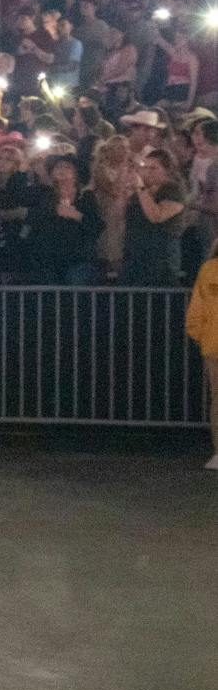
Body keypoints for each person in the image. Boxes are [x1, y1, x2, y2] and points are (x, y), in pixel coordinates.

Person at [123, 149, 187, 285]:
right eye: (146, 167)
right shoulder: (142, 191)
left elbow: (156, 216)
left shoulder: (174, 191)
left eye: (153, 168)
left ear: (167, 170)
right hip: (136, 255)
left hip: (161, 258)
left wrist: (140, 188)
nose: (148, 172)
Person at [183, 239, 218, 470]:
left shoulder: (207, 270)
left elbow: (195, 314)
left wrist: (202, 336)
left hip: (213, 344)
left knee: (217, 398)